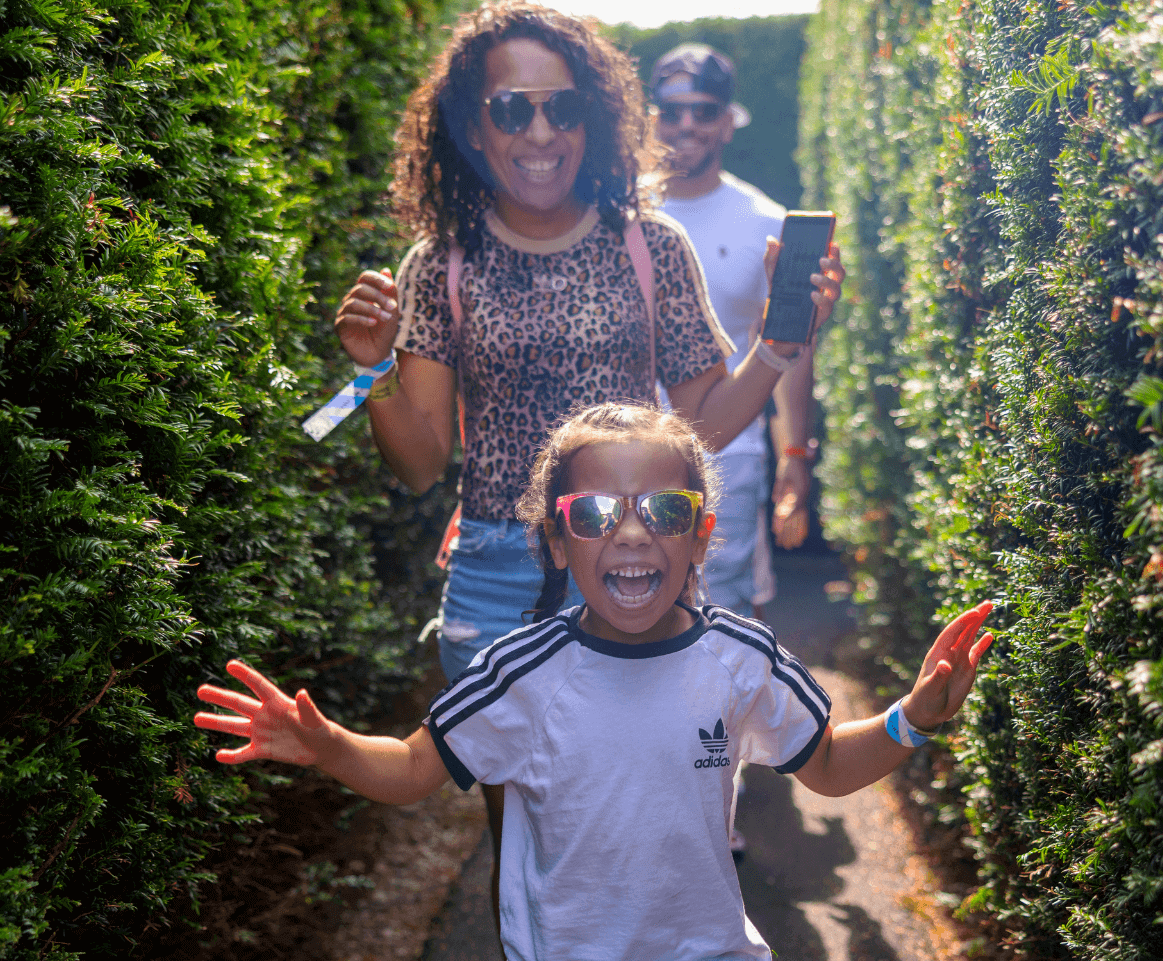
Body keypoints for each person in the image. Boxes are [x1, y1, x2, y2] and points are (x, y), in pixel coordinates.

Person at [327, 0, 844, 919]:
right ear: (472, 126)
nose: (539, 131)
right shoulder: (441, 262)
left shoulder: (651, 246)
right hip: (495, 579)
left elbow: (701, 427)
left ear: (593, 121)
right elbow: (419, 462)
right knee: (524, 849)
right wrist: (372, 373)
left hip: (634, 566)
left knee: (652, 831)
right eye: (511, 108)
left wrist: (778, 342)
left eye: (561, 109)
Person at [194, 401, 995, 961]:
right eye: (595, 514)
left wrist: (910, 720)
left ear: (700, 537)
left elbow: (824, 763)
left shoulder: (740, 657)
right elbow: (410, 769)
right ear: (556, 539)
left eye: (666, 511)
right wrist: (326, 742)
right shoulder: (520, 672)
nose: (633, 532)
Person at [651, 42, 817, 622]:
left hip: (732, 460)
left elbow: (793, 352)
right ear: (652, 120)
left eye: (702, 110)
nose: (686, 124)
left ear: (728, 121)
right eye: (671, 111)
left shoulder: (767, 223)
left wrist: (794, 457)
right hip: (621, 457)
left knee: (724, 624)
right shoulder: (615, 218)